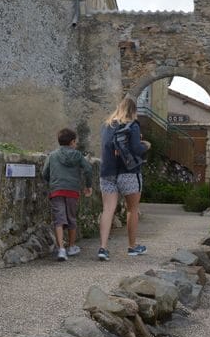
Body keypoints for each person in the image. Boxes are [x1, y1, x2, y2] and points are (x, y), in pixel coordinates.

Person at [97, 97, 151, 261]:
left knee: (108, 209)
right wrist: (146, 145)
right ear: (134, 111)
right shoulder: (133, 125)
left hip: (107, 172)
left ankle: (103, 248)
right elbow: (136, 148)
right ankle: (132, 247)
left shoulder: (107, 125)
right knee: (132, 209)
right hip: (129, 172)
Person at [41, 128, 94, 262]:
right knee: (71, 218)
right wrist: (88, 186)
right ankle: (71, 246)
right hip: (72, 191)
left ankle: (61, 250)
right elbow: (88, 169)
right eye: (75, 142)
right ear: (72, 142)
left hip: (57, 190)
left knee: (59, 219)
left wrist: (52, 182)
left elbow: (44, 173)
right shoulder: (78, 155)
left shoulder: (52, 155)